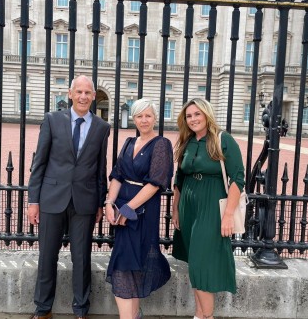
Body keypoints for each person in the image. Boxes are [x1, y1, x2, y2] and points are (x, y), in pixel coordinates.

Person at [27, 75, 110, 319]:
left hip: (84, 201)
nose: (83, 96)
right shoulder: (52, 120)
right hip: (52, 198)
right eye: (79, 92)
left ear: (94, 96)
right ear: (70, 94)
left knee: (81, 259)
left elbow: (100, 168)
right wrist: (34, 201)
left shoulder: (102, 127)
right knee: (47, 256)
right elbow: (38, 162)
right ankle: (43, 309)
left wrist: (98, 202)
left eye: (88, 93)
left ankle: (81, 310)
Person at [172, 98, 245, 319]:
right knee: (194, 264)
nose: (193, 119)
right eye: (189, 116)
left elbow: (237, 179)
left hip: (212, 208)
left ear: (207, 114)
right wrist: (175, 210)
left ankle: (207, 316)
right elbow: (179, 178)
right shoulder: (187, 141)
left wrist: (228, 215)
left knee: (202, 265)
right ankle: (199, 315)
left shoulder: (223, 140)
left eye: (197, 114)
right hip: (188, 208)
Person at [105, 98, 173, 319]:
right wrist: (109, 203)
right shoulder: (128, 142)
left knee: (125, 265)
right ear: (133, 118)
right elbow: (117, 175)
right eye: (139, 116)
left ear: (155, 118)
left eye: (148, 115)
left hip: (142, 211)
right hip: (121, 207)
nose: (144, 120)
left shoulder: (161, 144)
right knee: (128, 263)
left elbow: (155, 183)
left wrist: (128, 209)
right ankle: (133, 316)